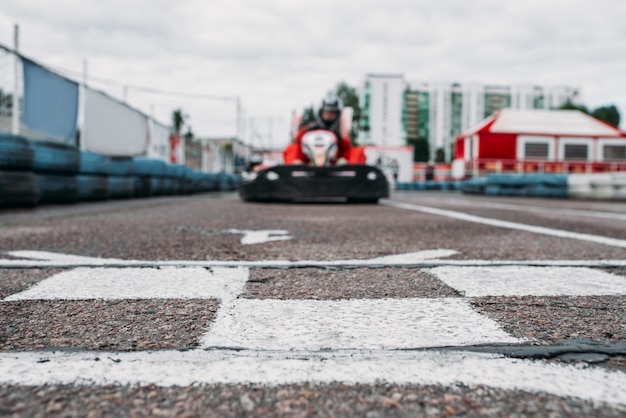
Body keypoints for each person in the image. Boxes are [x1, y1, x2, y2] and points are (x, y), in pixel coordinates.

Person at [283, 93, 366, 165]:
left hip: (333, 165)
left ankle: (352, 172)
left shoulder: (338, 135)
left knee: (358, 151)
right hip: (308, 163)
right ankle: (294, 167)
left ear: (337, 115)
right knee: (292, 148)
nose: (329, 116)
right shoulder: (307, 130)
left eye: (332, 113)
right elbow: (297, 143)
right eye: (327, 113)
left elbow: (347, 149)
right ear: (320, 112)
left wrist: (342, 160)